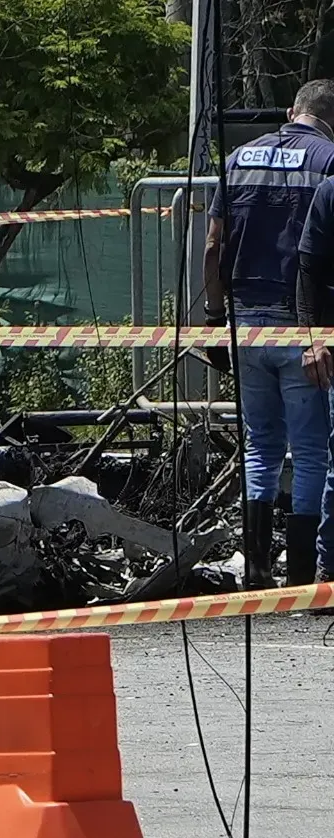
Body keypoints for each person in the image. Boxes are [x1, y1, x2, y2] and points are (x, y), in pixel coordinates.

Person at [207, 79, 334, 587]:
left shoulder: (238, 158)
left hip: (243, 320)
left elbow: (213, 247)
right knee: (310, 451)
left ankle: (256, 569)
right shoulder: (327, 161)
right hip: (302, 324)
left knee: (260, 445)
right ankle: (303, 573)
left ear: (291, 111)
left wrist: (216, 318)